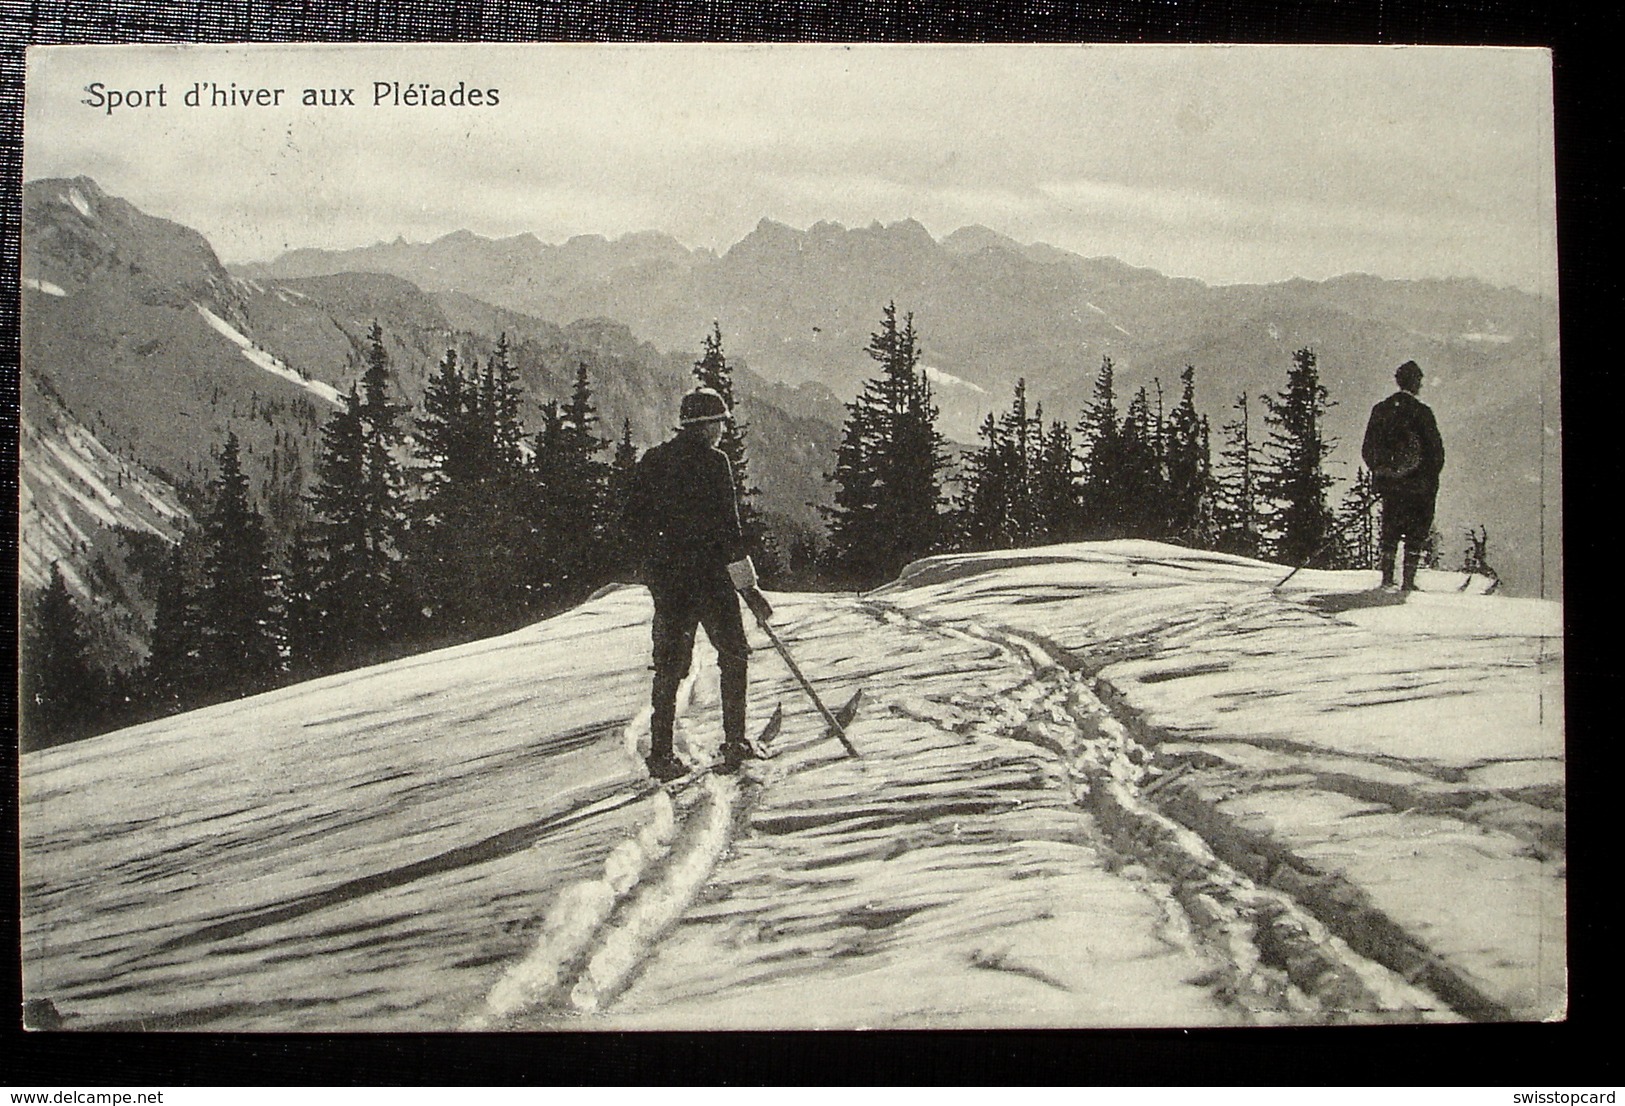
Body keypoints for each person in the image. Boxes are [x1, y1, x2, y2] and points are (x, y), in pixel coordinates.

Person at [627, 386, 766, 781]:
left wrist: (653, 573)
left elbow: (632, 523)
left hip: (671, 584)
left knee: (670, 668)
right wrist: (749, 589)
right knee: (734, 654)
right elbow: (729, 533)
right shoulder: (714, 463)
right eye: (718, 423)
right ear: (705, 426)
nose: (721, 431)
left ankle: (661, 754)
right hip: (711, 582)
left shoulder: (654, 461)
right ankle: (736, 742)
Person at [1361, 360, 1445, 591]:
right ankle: (1408, 582)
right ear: (1416, 382)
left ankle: (1387, 579)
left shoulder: (1381, 409)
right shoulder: (1423, 413)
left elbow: (1368, 449)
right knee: (1415, 534)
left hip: (1391, 486)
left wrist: (1384, 475)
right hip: (1418, 487)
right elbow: (1436, 454)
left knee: (1390, 531)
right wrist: (1427, 483)